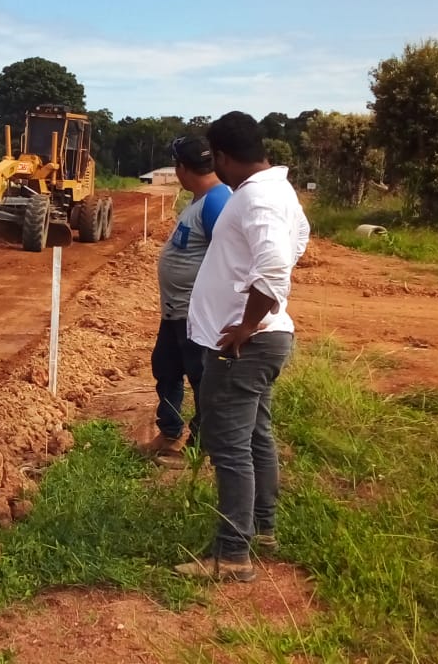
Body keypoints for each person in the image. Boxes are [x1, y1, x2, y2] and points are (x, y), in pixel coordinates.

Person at [175, 112, 309, 583]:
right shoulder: (278, 190)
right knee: (255, 438)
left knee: (230, 449)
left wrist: (246, 325)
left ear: (225, 157)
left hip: (247, 345)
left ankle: (232, 556)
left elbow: (275, 265)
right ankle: (263, 530)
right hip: (264, 339)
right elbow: (300, 241)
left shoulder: (257, 198)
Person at [142, 135, 231, 465]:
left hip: (197, 314)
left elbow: (229, 257)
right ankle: (169, 432)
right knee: (165, 369)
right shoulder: (199, 200)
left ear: (182, 167)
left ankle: (199, 446)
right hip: (175, 311)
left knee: (201, 378)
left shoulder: (217, 202)